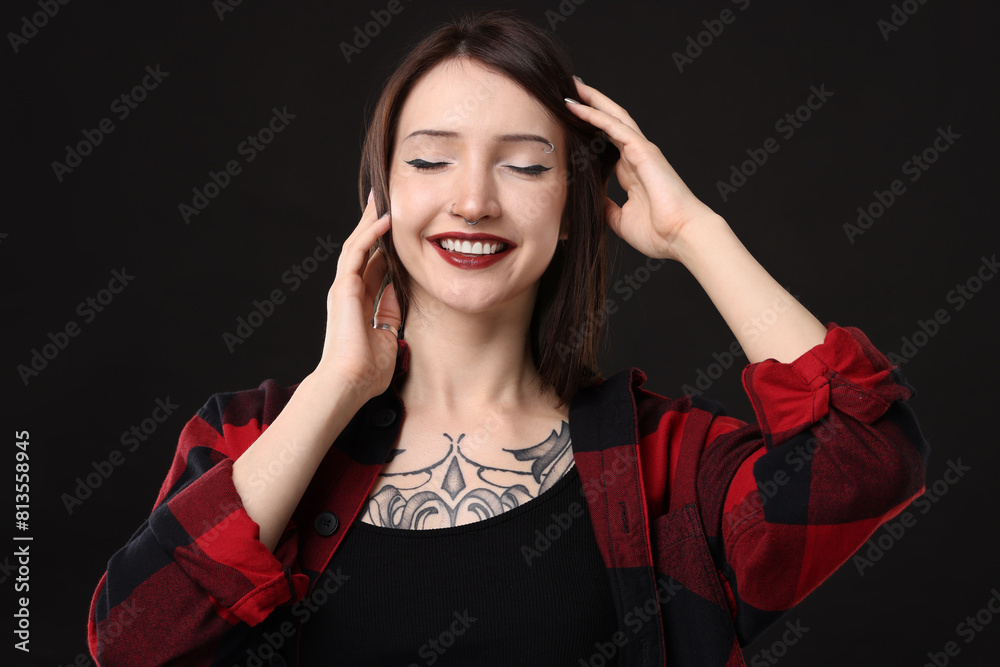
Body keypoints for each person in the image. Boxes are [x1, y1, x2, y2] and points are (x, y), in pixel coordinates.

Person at [87, 10, 930, 667]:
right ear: (381, 195)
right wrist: (335, 386)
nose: (473, 201)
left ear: (571, 205)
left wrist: (692, 231)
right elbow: (131, 641)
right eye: (430, 161)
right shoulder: (251, 439)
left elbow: (870, 452)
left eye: (525, 165)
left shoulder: (662, 465)